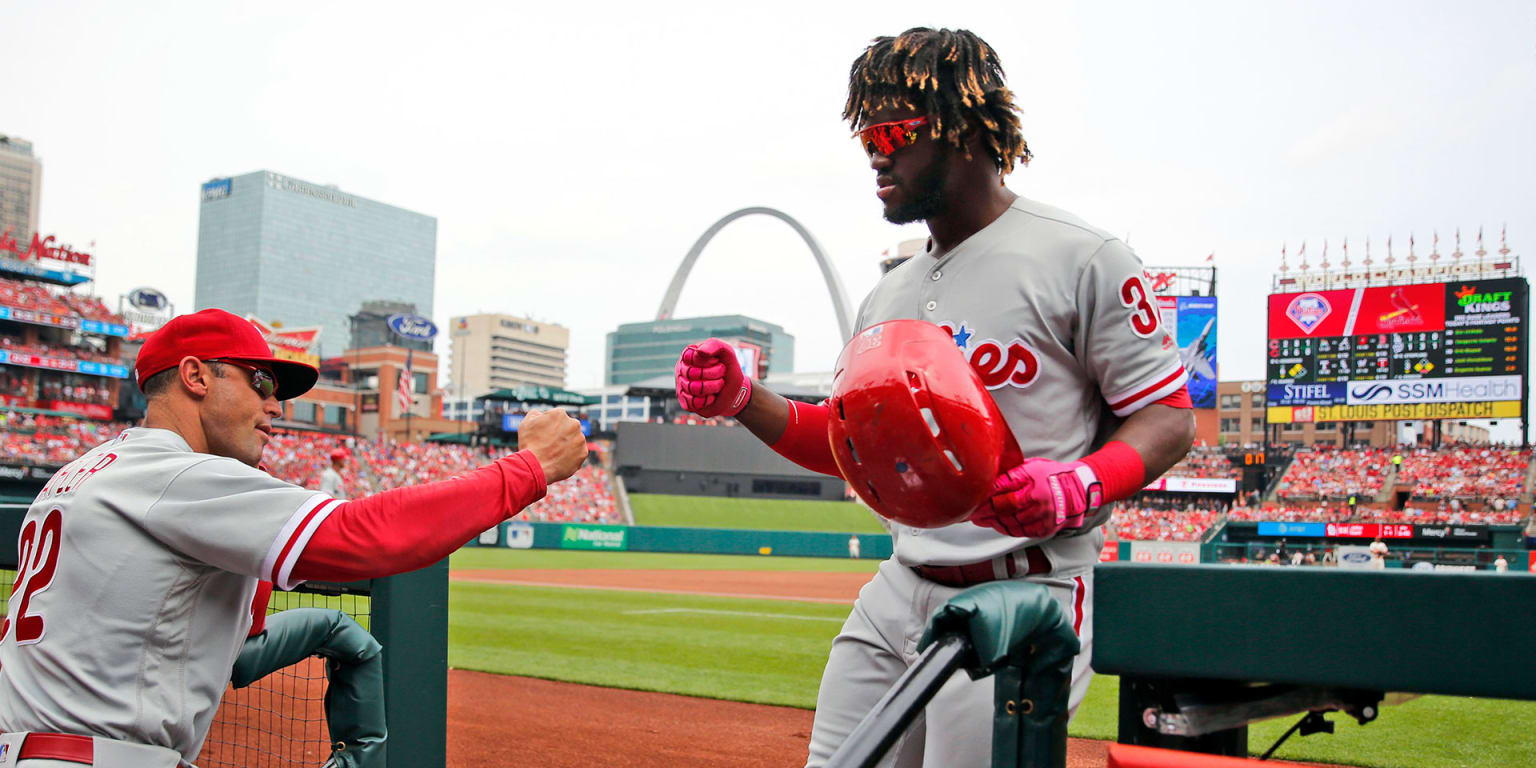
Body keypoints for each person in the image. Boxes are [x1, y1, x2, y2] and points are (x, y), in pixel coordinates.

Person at [674, 28, 1194, 767]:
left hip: (1027, 589)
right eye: (865, 138)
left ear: (962, 127)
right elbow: (853, 448)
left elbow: (1169, 417)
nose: (876, 154)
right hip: (900, 586)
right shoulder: (890, 290)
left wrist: (1082, 482)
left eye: (891, 131)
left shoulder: (1082, 255)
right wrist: (744, 398)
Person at [0, 309, 588, 767]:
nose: (276, 405)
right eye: (260, 381)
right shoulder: (175, 476)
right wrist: (529, 468)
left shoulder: (81, 472)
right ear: (196, 375)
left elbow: (223, 627)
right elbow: (368, 536)